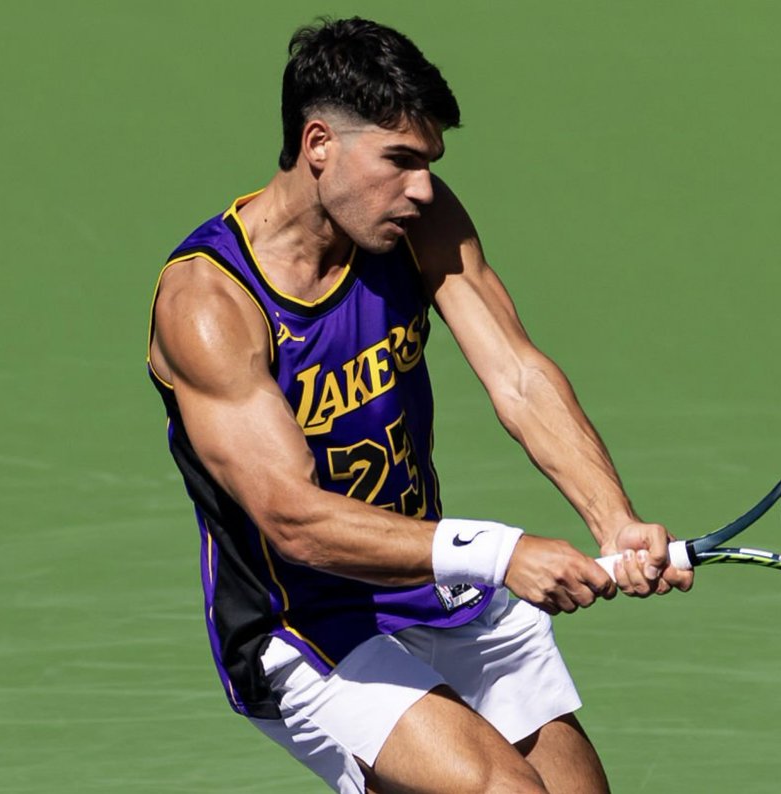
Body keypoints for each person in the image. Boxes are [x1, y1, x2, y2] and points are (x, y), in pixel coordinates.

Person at [147, 16, 692, 794]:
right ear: (318, 145)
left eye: (430, 162)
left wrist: (612, 517)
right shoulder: (209, 301)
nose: (424, 187)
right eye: (399, 160)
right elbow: (291, 518)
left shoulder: (414, 223)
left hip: (429, 583)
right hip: (301, 617)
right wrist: (501, 553)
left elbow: (517, 374)